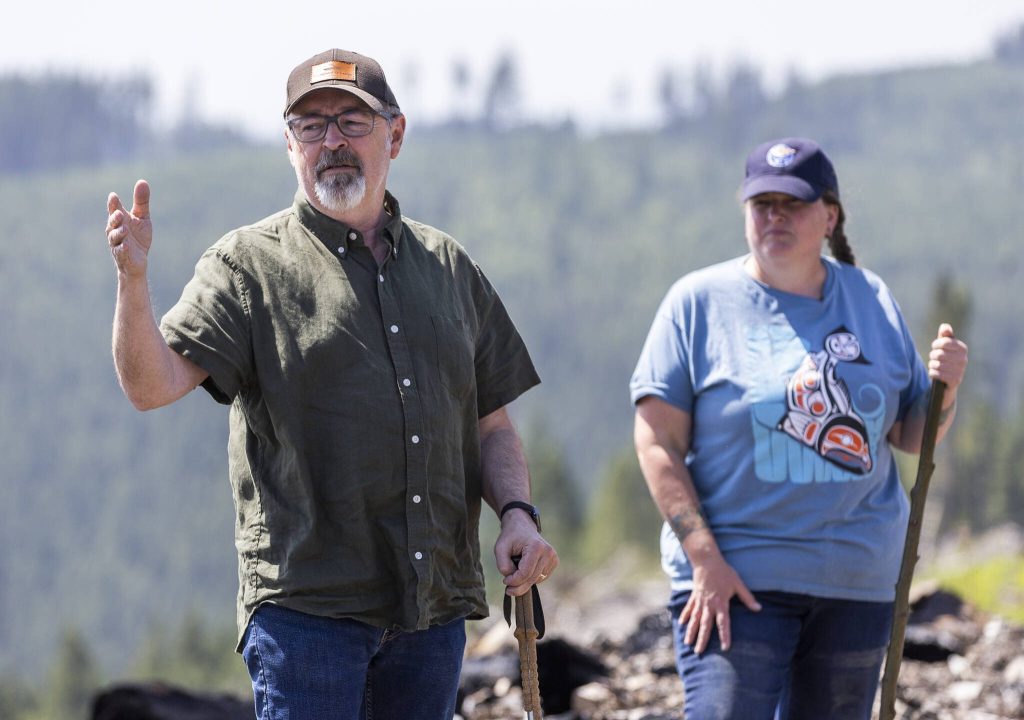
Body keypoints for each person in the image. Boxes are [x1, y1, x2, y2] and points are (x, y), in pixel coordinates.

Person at [105, 48, 557, 719]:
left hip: (431, 612)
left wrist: (518, 514)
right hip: (307, 617)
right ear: (290, 144)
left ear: (394, 135)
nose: (331, 143)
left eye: (351, 121)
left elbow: (490, 425)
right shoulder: (247, 266)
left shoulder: (448, 267)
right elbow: (150, 386)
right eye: (311, 127)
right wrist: (133, 282)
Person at [629, 137, 968, 720]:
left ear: (829, 215)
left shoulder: (871, 298)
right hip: (734, 582)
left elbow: (911, 433)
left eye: (793, 203)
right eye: (761, 204)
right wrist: (704, 557)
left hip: (855, 585)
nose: (774, 216)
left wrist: (948, 389)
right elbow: (657, 440)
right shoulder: (697, 303)